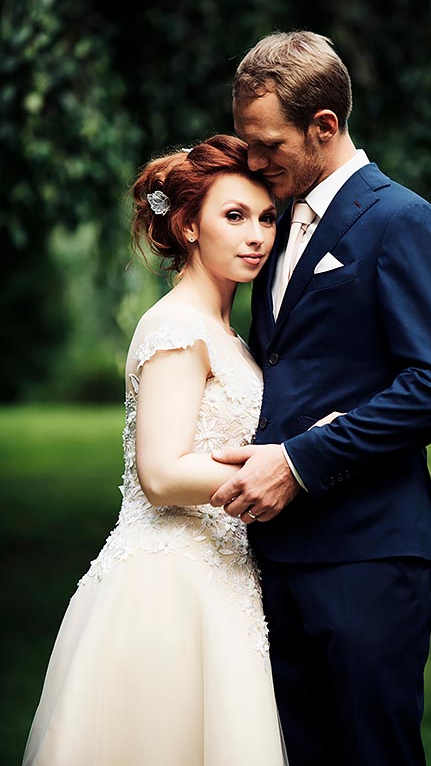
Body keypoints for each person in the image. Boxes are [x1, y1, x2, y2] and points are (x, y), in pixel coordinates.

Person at [209, 31, 431, 766]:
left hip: (368, 553)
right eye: (246, 143)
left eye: (268, 145)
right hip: (276, 555)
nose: (254, 163)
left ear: (324, 126)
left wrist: (298, 462)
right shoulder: (273, 227)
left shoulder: (403, 221)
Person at [22, 135, 288, 766]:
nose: (256, 235)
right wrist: (282, 464)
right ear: (188, 226)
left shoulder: (230, 335)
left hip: (221, 578)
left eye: (267, 218)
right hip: (168, 582)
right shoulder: (175, 328)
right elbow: (162, 473)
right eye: (234, 216)